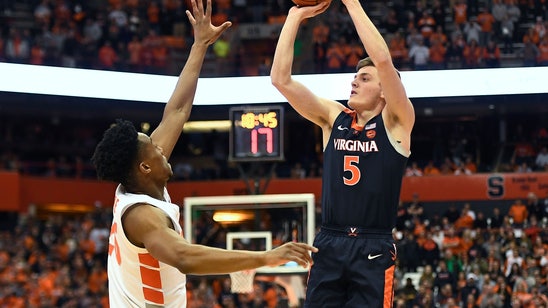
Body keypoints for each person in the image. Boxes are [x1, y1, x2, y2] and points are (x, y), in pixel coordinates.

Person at [91, 1, 317, 307]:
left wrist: (200, 44)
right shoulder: (143, 216)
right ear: (145, 167)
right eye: (154, 148)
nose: (162, 148)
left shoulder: (138, 182)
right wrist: (267, 256)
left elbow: (177, 111)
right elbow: (184, 256)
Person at [270, 0, 415, 306]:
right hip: (329, 241)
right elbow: (280, 80)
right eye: (354, 76)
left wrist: (351, 3)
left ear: (385, 91)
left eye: (364, 78)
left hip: (373, 245)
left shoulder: (397, 122)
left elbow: (384, 61)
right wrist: (294, 18)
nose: (354, 81)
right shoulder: (333, 117)